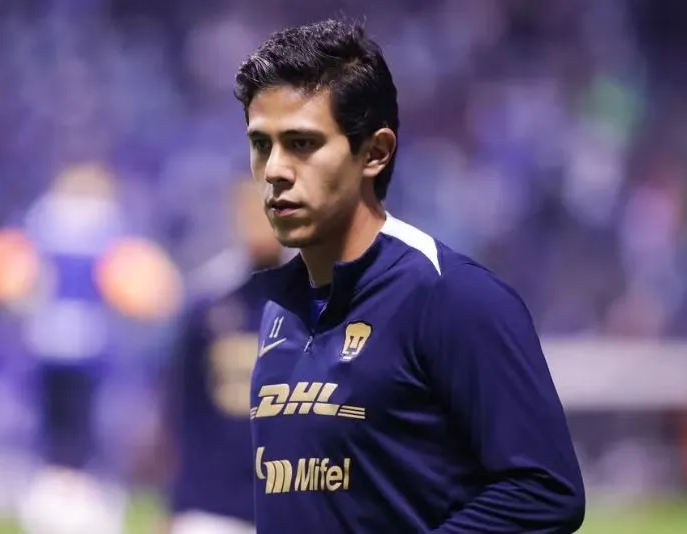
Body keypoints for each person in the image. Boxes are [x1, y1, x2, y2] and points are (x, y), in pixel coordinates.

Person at [235, 19, 585, 533]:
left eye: (302, 143)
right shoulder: (276, 309)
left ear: (375, 153)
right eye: (261, 144)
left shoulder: (450, 295)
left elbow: (545, 491)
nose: (274, 170)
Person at [159, 180, 284, 534]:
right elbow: (184, 406)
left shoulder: (322, 298)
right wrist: (176, 502)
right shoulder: (210, 299)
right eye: (253, 211)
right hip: (213, 502)